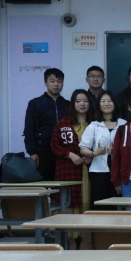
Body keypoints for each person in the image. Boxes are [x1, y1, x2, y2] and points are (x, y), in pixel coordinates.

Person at [51, 89, 94, 249]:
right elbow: (54, 146)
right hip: (67, 170)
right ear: (73, 103)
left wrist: (92, 156)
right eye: (78, 101)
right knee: (69, 204)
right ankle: (70, 241)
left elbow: (102, 146)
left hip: (87, 172)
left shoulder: (95, 123)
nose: (82, 104)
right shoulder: (63, 123)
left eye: (85, 101)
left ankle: (84, 240)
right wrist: (69, 154)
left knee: (85, 203)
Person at [79, 90, 126, 209]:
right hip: (98, 171)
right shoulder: (94, 125)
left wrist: (117, 151)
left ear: (115, 103)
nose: (106, 104)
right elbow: (83, 149)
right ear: (98, 104)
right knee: (100, 205)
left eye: (109, 101)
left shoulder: (124, 124)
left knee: (118, 205)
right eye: (103, 101)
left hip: (120, 171)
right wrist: (95, 153)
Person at [24, 68, 69, 181]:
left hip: (64, 151)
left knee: (62, 183)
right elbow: (29, 129)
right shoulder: (35, 103)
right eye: (52, 81)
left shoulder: (67, 105)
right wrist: (32, 152)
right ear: (45, 83)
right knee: (42, 184)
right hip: (43, 151)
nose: (56, 84)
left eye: (59, 81)